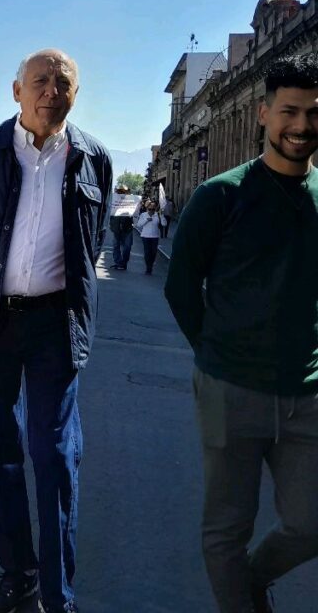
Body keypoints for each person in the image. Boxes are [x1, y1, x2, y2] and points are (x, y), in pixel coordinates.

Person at [0, 49, 111, 613]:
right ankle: (19, 572)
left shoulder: (93, 159)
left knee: (57, 456)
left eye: (64, 83)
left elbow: (94, 240)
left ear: (75, 95)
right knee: (0, 452)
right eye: (40, 81)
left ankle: (59, 594)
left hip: (54, 327)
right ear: (16, 91)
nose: (51, 91)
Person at [164, 54, 318, 613]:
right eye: (290, 111)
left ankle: (249, 584)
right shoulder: (220, 196)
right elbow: (181, 289)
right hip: (231, 388)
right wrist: (215, 354)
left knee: (309, 524)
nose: (301, 125)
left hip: (308, 395)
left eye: (313, 113)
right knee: (227, 528)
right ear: (263, 113)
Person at [109, 185, 135, 271]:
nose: (121, 193)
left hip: (127, 228)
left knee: (127, 247)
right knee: (116, 246)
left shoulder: (132, 201)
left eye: (123, 191)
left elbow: (136, 214)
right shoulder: (113, 201)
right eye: (119, 191)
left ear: (127, 192)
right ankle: (118, 262)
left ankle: (124, 262)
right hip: (116, 228)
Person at [135, 199, 162, 275]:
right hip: (145, 236)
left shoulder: (157, 215)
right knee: (147, 252)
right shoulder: (143, 215)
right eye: (150, 209)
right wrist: (147, 220)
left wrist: (162, 217)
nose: (151, 211)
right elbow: (139, 225)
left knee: (153, 252)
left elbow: (164, 224)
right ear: (147, 208)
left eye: (153, 209)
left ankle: (151, 264)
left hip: (155, 236)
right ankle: (148, 268)